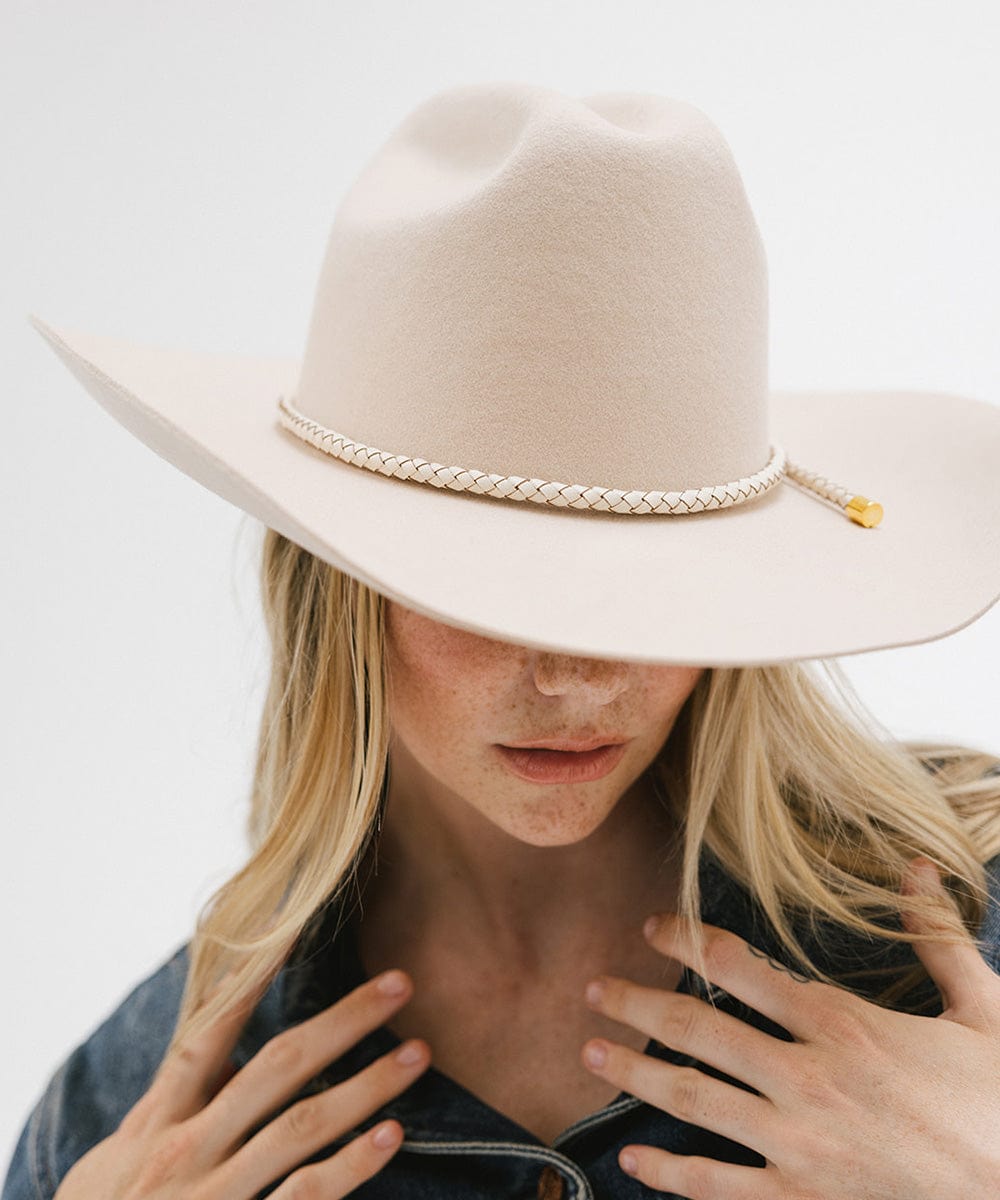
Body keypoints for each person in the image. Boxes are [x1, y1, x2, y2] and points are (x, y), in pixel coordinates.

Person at [6, 81, 1000, 1200]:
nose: (574, 677)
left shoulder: (967, 933)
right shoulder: (138, 1118)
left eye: (651, 585)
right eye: (481, 588)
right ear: (335, 588)